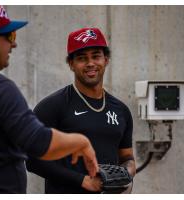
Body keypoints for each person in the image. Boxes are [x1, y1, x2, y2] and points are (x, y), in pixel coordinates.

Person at [0, 6, 99, 194]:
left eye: (96, 55)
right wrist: (81, 142)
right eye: (9, 36)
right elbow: (38, 142)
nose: (14, 45)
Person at [26, 27, 136, 194]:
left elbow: (127, 157)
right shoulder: (52, 107)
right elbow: (33, 160)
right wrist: (82, 181)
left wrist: (126, 173)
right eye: (82, 58)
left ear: (106, 59)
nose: (90, 63)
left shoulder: (121, 110)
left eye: (96, 56)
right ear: (71, 64)